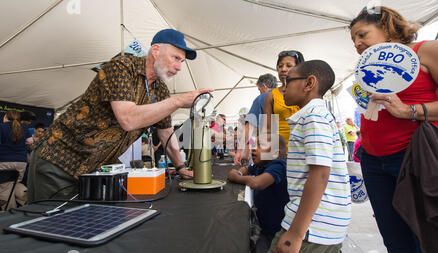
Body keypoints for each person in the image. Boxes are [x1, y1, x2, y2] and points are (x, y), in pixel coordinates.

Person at [27, 28, 212, 202]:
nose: (179, 67)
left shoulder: (160, 89)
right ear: (156, 50)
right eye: (176, 58)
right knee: (47, 225)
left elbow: (165, 133)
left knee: (79, 225)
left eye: (182, 61)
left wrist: (180, 167)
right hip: (59, 160)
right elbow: (128, 119)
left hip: (94, 170)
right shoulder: (121, 67)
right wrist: (178, 101)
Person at [349, 6, 438, 253]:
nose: (357, 44)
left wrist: (411, 111)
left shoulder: (427, 51)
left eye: (362, 34)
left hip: (416, 158)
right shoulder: (366, 66)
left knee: (433, 241)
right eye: (353, 40)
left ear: (386, 26)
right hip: (373, 164)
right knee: (397, 244)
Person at [260, 60, 351, 253]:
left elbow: (320, 175)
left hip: (311, 227)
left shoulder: (313, 117)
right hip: (327, 226)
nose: (283, 88)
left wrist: (295, 233)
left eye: (288, 81)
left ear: (309, 83)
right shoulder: (315, 116)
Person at [228, 133, 289, 253]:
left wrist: (237, 177)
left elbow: (257, 183)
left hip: (276, 230)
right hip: (264, 226)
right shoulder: (260, 165)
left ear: (275, 153)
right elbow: (244, 170)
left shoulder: (279, 165)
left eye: (260, 146)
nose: (254, 149)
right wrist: (239, 174)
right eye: (254, 145)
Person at [234, 73, 278, 166]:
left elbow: (249, 128)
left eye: (259, 89)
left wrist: (239, 151)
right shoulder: (287, 96)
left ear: (264, 86)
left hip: (267, 149)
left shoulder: (261, 98)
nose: (260, 92)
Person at [262, 50, 304, 146]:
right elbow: (266, 130)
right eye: (280, 66)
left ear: (299, 68)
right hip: (281, 155)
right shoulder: (271, 95)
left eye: (289, 66)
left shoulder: (307, 92)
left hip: (304, 153)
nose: (283, 69)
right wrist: (268, 158)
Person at [0, 111, 32, 209]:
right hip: (21, 162)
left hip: (5, 161)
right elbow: (30, 141)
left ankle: (9, 214)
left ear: (5, 117)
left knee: (4, 188)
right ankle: (29, 201)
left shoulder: (1, 127)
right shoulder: (24, 128)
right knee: (14, 183)